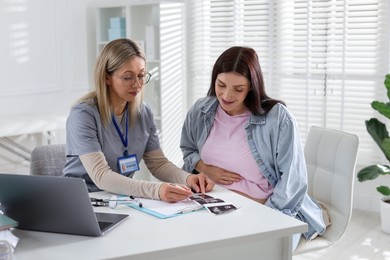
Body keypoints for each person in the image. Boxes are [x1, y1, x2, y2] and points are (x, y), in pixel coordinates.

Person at [180, 46, 328, 248]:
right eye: (221, 85)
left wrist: (264, 214)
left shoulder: (277, 119)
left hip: (265, 209)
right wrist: (206, 169)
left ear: (252, 86)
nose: (226, 95)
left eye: (238, 89)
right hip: (209, 205)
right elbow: (188, 150)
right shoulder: (201, 109)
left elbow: (293, 181)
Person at [63, 38, 214, 203]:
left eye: (141, 75)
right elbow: (101, 176)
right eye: (128, 77)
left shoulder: (143, 112)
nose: (137, 84)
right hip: (83, 201)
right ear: (107, 78)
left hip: (120, 199)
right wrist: (155, 190)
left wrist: (187, 178)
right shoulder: (83, 115)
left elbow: (158, 164)